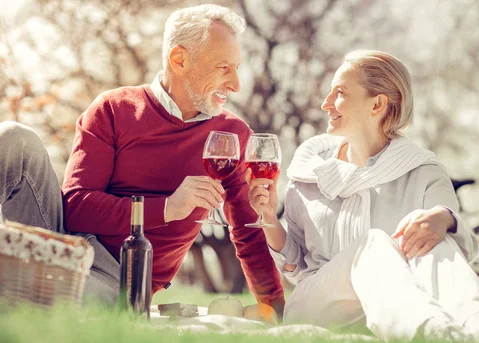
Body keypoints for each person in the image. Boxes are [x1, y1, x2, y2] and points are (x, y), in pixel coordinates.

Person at [0, 4, 284, 315]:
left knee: (45, 295)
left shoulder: (231, 135)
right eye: (223, 67)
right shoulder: (112, 108)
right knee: (14, 138)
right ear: (180, 59)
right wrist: (167, 208)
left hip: (119, 277)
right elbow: (76, 208)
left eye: (236, 68)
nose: (236, 85)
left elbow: (248, 230)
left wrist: (275, 310)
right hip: (62, 242)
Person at [247, 50, 479, 343]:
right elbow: (298, 269)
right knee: (374, 243)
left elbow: (457, 250)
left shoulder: (424, 172)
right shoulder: (310, 173)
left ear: (378, 104)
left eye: (340, 93)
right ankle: (434, 337)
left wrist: (445, 219)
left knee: (431, 235)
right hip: (320, 305)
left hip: (400, 303)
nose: (325, 104)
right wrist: (269, 219)